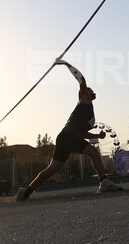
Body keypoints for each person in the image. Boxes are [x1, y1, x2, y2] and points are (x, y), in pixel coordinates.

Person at [16, 59, 122, 202]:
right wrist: (65, 64)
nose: (91, 90)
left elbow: (83, 133)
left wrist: (98, 135)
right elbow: (81, 79)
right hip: (68, 137)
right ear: (85, 93)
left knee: (53, 168)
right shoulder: (84, 100)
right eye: (89, 89)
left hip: (70, 138)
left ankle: (26, 192)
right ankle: (104, 182)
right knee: (90, 154)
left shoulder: (90, 112)